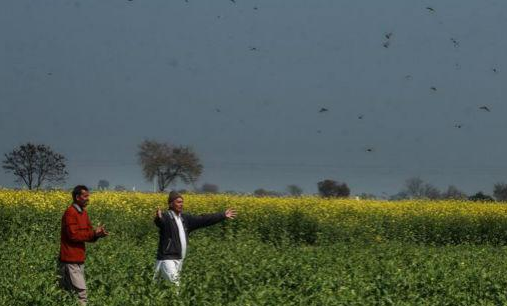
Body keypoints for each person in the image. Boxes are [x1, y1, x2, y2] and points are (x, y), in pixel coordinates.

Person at [153, 191, 237, 284]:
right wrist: (158, 218)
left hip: (179, 258)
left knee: (162, 288)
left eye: (182, 202)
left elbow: (203, 219)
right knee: (174, 287)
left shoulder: (184, 219)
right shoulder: (166, 216)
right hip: (167, 259)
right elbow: (161, 222)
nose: (181, 204)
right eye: (178, 202)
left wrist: (222, 215)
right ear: (171, 204)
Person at [58, 185, 108, 305]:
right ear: (77, 197)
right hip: (70, 260)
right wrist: (92, 233)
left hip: (79, 259)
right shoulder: (70, 213)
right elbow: (73, 235)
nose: (88, 198)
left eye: (88, 196)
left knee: (69, 293)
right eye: (85, 196)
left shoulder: (83, 213)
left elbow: (88, 234)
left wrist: (97, 235)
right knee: (81, 294)